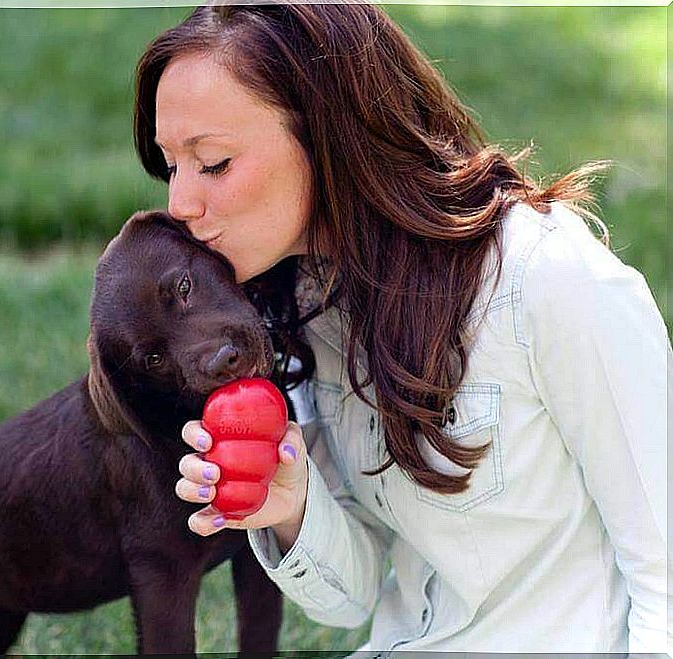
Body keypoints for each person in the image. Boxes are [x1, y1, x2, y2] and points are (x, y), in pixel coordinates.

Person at [132, 2, 670, 654]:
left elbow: (663, 568)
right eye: (170, 166)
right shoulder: (303, 302)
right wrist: (290, 505)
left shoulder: (544, 276)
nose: (180, 204)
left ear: (327, 134)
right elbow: (351, 594)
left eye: (212, 161)